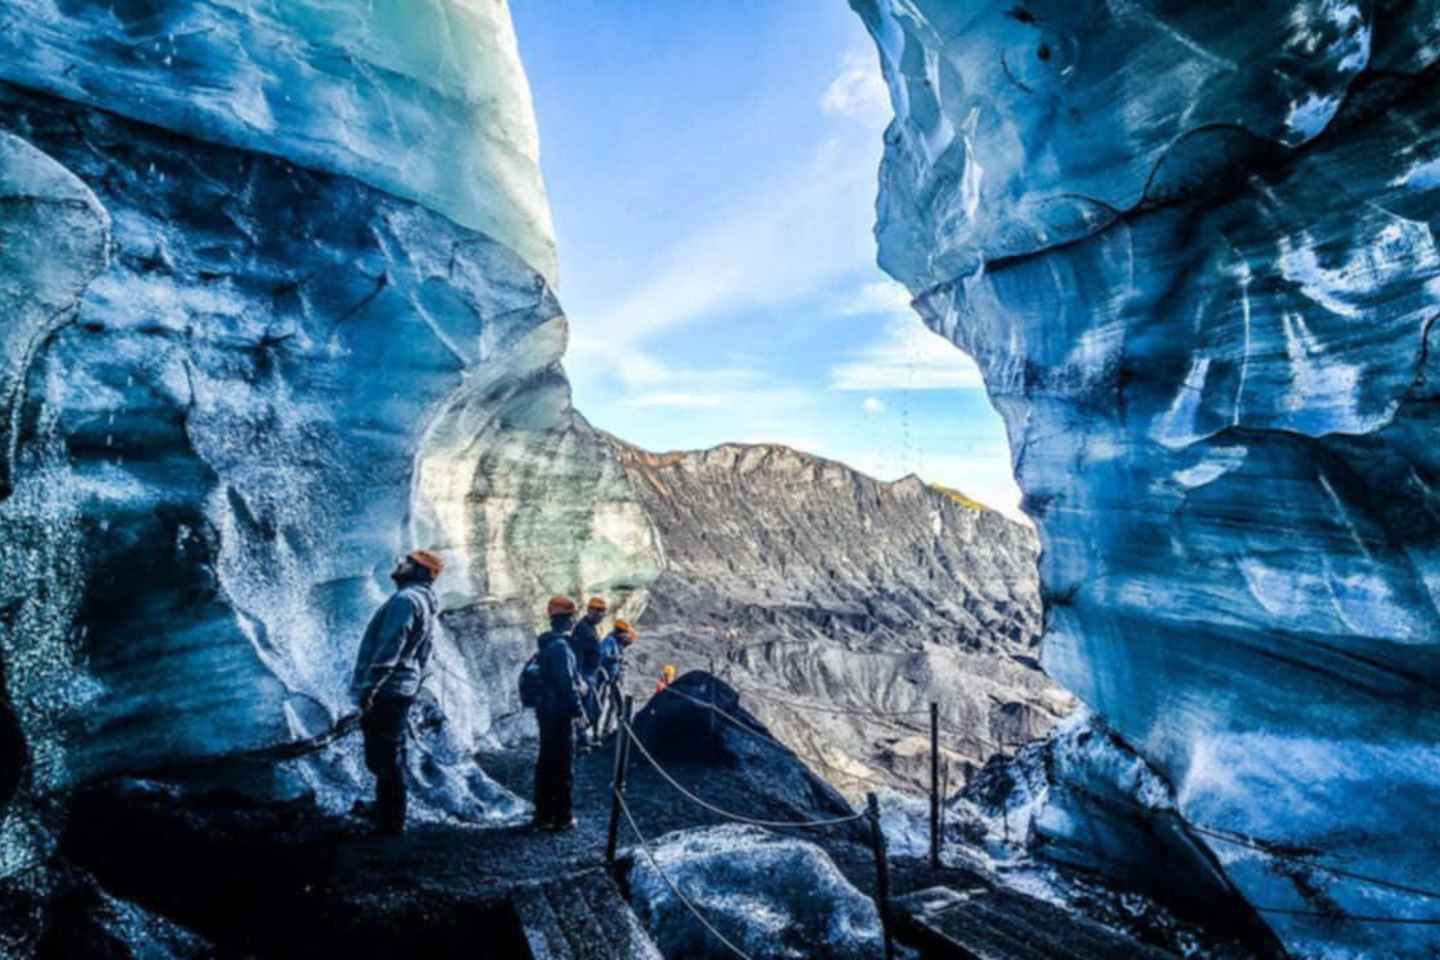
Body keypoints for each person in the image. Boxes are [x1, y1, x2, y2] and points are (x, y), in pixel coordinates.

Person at [350, 549, 444, 836]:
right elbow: (424, 653)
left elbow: (390, 645)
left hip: (388, 689)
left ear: (421, 571)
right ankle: (387, 811)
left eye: (407, 563)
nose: (400, 565)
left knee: (384, 757)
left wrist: (370, 688)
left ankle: (390, 822)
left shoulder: (405, 601)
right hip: (401, 687)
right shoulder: (424, 602)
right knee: (388, 754)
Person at [533, 596, 584, 831]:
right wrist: (578, 711)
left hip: (546, 710)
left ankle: (543, 814)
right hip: (560, 713)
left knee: (546, 762)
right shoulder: (561, 648)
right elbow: (566, 683)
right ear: (568, 619)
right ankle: (563, 816)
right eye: (572, 616)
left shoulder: (546, 644)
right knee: (563, 765)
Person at [569, 597, 607, 748]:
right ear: (590, 610)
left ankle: (582, 738)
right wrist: (579, 680)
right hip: (585, 676)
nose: (599, 615)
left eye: (602, 612)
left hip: (592, 674)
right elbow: (576, 655)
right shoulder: (582, 629)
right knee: (588, 710)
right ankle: (581, 740)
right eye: (597, 611)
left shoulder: (590, 628)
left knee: (594, 709)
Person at [595, 620, 636, 736]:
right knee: (600, 705)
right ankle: (597, 732)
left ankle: (608, 730)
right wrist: (617, 658)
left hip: (613, 679)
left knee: (616, 705)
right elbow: (603, 656)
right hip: (605, 679)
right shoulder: (610, 641)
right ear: (621, 632)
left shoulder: (617, 643)